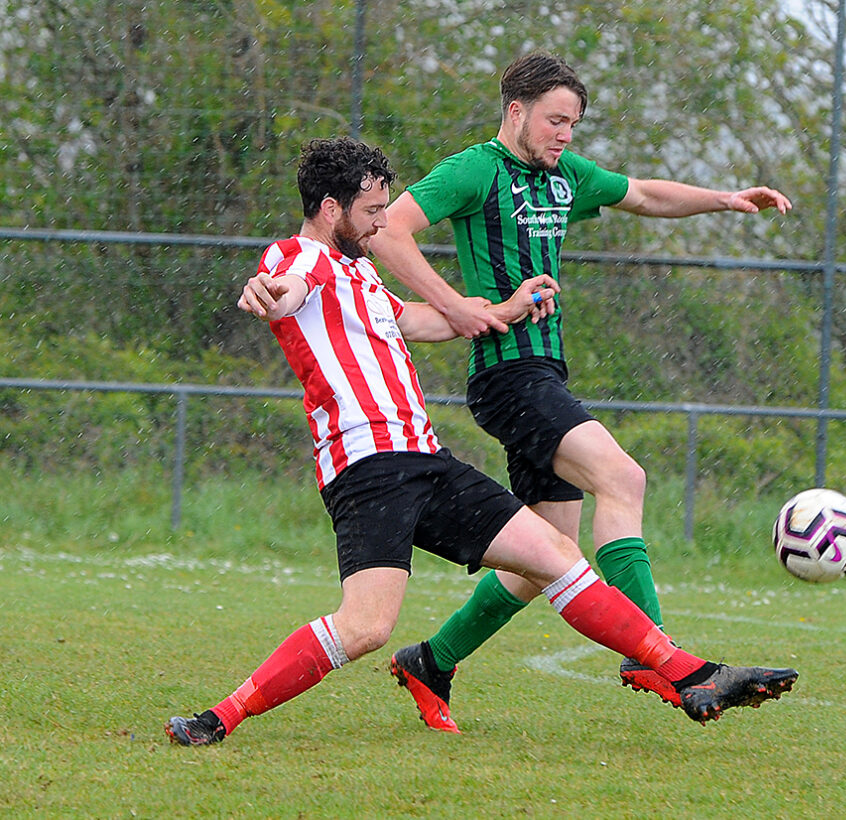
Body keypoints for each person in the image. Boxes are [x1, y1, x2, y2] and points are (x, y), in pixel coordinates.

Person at [162, 137, 797, 746]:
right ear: (332, 210)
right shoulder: (299, 260)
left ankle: (688, 673)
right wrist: (268, 295)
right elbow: (284, 291)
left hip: (426, 460)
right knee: (365, 628)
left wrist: (506, 307)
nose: (383, 224)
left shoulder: (360, 279)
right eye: (373, 212)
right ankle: (223, 715)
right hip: (368, 469)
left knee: (555, 553)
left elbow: (422, 319)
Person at [369, 51, 795, 732]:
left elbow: (647, 194)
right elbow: (389, 228)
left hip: (542, 375)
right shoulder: (476, 168)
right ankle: (656, 655)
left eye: (574, 123)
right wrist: (457, 305)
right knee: (623, 477)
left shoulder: (567, 177)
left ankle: (432, 660)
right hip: (509, 377)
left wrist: (725, 198)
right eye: (555, 120)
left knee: (547, 558)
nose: (566, 134)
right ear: (516, 110)